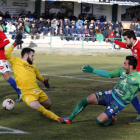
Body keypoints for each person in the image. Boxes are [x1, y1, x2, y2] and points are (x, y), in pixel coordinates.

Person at [58, 56, 140, 125]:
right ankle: (69, 119)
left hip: (118, 104)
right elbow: (108, 74)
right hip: (110, 94)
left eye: (125, 64)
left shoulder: (137, 78)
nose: (123, 65)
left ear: (131, 66)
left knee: (99, 121)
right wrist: (93, 70)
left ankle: (112, 119)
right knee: (86, 100)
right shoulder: (122, 71)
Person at [5, 34, 60, 122]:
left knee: (49, 104)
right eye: (32, 56)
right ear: (26, 55)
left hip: (37, 90)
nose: (33, 58)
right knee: (40, 108)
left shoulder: (33, 65)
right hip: (26, 92)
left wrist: (44, 81)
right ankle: (58, 119)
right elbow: (7, 53)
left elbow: (37, 75)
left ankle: (47, 112)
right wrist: (15, 43)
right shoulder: (16, 61)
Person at [106, 30, 140, 122]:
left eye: (125, 39)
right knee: (132, 94)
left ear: (131, 38)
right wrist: (114, 41)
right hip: (136, 75)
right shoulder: (131, 45)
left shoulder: (139, 46)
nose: (125, 41)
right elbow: (124, 45)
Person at [0, 31, 21, 101]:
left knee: (6, 77)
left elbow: (7, 41)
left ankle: (20, 92)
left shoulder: (0, 32)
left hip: (1, 58)